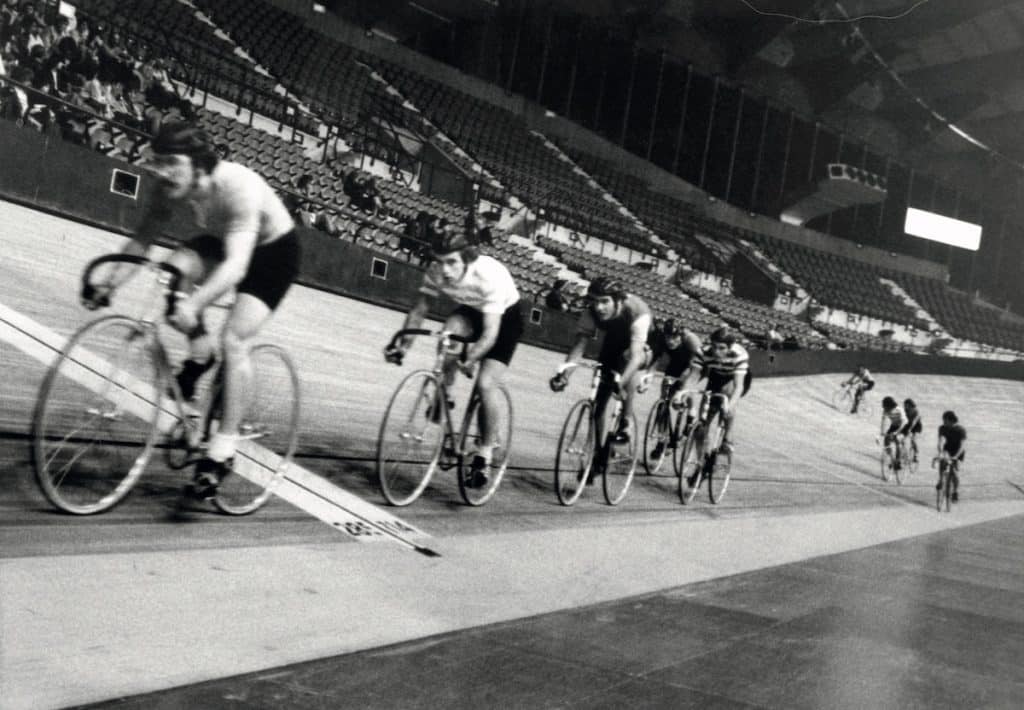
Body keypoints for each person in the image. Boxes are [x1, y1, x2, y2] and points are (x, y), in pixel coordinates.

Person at [84, 122, 301, 498]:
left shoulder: (238, 186)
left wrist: (197, 303)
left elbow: (237, 267)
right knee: (173, 276)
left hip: (274, 254)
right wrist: (110, 282)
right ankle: (200, 355)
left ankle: (222, 450)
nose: (162, 172)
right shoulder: (168, 188)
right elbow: (142, 241)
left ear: (199, 163)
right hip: (224, 242)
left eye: (171, 163)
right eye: (157, 162)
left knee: (234, 339)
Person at [385, 230, 523, 487]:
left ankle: (484, 452)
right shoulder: (436, 271)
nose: (444, 270)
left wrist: (470, 358)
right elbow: (419, 310)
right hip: (471, 312)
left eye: (451, 262)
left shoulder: (488, 277)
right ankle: (444, 395)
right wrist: (403, 347)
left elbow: (490, 335)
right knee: (448, 335)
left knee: (485, 384)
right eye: (439, 261)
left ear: (467, 259)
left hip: (504, 322)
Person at [550, 277, 651, 479]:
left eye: (604, 301)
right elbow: (579, 346)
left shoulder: (636, 310)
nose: (599, 307)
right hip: (613, 341)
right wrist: (564, 374)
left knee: (628, 362)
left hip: (639, 346)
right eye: (595, 301)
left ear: (618, 301)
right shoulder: (590, 312)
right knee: (598, 406)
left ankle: (626, 421)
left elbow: (637, 355)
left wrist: (620, 383)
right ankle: (598, 454)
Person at [683, 327, 749, 488]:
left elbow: (739, 386)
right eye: (714, 347)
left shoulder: (739, 354)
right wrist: (683, 393)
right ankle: (703, 463)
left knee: (727, 397)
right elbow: (693, 376)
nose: (717, 351)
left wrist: (729, 405)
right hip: (716, 376)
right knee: (702, 424)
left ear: (730, 347)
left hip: (736, 379)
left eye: (722, 348)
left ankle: (727, 437)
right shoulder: (703, 352)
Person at [647, 318, 703, 460]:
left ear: (681, 335)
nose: (670, 341)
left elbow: (695, 368)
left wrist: (683, 386)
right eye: (667, 337)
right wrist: (649, 376)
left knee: (685, 388)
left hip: (695, 366)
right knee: (664, 401)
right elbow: (656, 360)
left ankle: (690, 418)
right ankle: (661, 442)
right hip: (677, 362)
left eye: (674, 337)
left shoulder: (691, 341)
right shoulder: (662, 339)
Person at [935, 410, 966, 502]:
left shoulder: (960, 430)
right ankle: (941, 480)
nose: (943, 422)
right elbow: (940, 441)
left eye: (945, 420)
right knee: (942, 461)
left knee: (955, 473)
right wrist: (940, 451)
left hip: (958, 451)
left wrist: (956, 457)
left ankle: (955, 492)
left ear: (950, 420)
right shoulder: (942, 428)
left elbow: (962, 445)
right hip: (947, 448)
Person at [879, 396, 907, 471]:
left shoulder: (899, 410)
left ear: (889, 406)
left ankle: (898, 461)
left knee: (897, 440)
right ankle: (892, 459)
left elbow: (904, 422)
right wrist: (882, 431)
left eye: (885, 407)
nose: (884, 409)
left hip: (903, 427)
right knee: (886, 441)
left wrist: (897, 432)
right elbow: (883, 420)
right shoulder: (885, 410)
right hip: (894, 426)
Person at [901, 398, 922, 463]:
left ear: (910, 405)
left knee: (913, 440)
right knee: (902, 439)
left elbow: (914, 422)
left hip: (916, 427)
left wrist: (909, 430)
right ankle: (904, 453)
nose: (904, 406)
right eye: (904, 405)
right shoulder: (904, 411)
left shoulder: (916, 412)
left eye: (905, 405)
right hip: (908, 425)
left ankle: (916, 454)